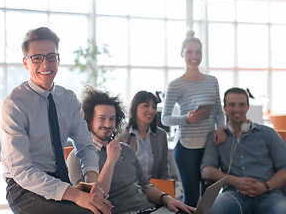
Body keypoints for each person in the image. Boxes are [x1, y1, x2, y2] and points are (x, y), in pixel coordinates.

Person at [0, 27, 112, 214]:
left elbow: (86, 146)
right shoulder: (13, 104)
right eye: (37, 58)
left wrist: (93, 185)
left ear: (58, 60)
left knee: (100, 208)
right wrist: (77, 196)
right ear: (26, 63)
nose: (45, 64)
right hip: (23, 188)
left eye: (51, 57)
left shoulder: (68, 99)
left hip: (60, 181)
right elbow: (21, 171)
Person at [67, 87, 195, 214]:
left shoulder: (126, 150)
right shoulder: (77, 156)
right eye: (102, 118)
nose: (108, 124)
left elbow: (145, 185)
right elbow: (94, 200)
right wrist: (110, 161)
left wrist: (167, 199)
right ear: (88, 121)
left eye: (112, 119)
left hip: (149, 209)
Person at [161, 30, 226, 207]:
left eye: (198, 52)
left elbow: (220, 111)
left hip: (211, 146)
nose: (194, 56)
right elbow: (165, 119)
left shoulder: (212, 81)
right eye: (189, 51)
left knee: (210, 198)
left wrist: (220, 128)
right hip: (186, 148)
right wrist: (186, 119)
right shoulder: (175, 85)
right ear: (182, 54)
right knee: (190, 199)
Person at [201, 87, 286, 214]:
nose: (237, 109)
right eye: (232, 105)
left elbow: (284, 168)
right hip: (233, 195)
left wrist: (265, 187)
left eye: (241, 105)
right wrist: (234, 181)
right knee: (215, 208)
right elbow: (206, 171)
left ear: (248, 107)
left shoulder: (268, 133)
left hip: (269, 193)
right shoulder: (217, 137)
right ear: (224, 108)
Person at [119, 91, 169, 180]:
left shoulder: (161, 135)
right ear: (134, 108)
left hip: (155, 188)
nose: (151, 110)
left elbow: (163, 170)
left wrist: (162, 192)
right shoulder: (122, 137)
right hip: (130, 189)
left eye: (154, 107)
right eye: (146, 105)